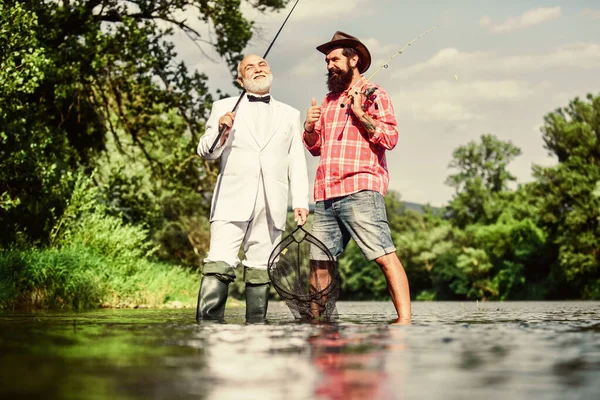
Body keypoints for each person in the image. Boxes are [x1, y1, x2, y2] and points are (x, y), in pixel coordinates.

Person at [303, 31, 412, 322]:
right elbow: (315, 149)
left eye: (335, 59)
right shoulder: (326, 102)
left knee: (383, 255)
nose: (329, 66)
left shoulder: (375, 94)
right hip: (325, 193)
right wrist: (310, 127)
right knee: (319, 263)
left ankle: (404, 323)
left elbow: (390, 138)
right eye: (327, 61)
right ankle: (317, 325)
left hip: (361, 188)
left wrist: (360, 113)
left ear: (354, 59)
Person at [196, 54, 309, 322]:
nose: (257, 70)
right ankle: (209, 328)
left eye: (262, 65)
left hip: (273, 202)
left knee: (261, 266)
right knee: (219, 260)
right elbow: (206, 152)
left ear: (270, 71)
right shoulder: (223, 106)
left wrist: (301, 201)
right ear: (240, 79)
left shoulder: (290, 114)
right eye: (250, 67)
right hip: (231, 198)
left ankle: (257, 332)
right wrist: (220, 132)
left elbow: (297, 161)